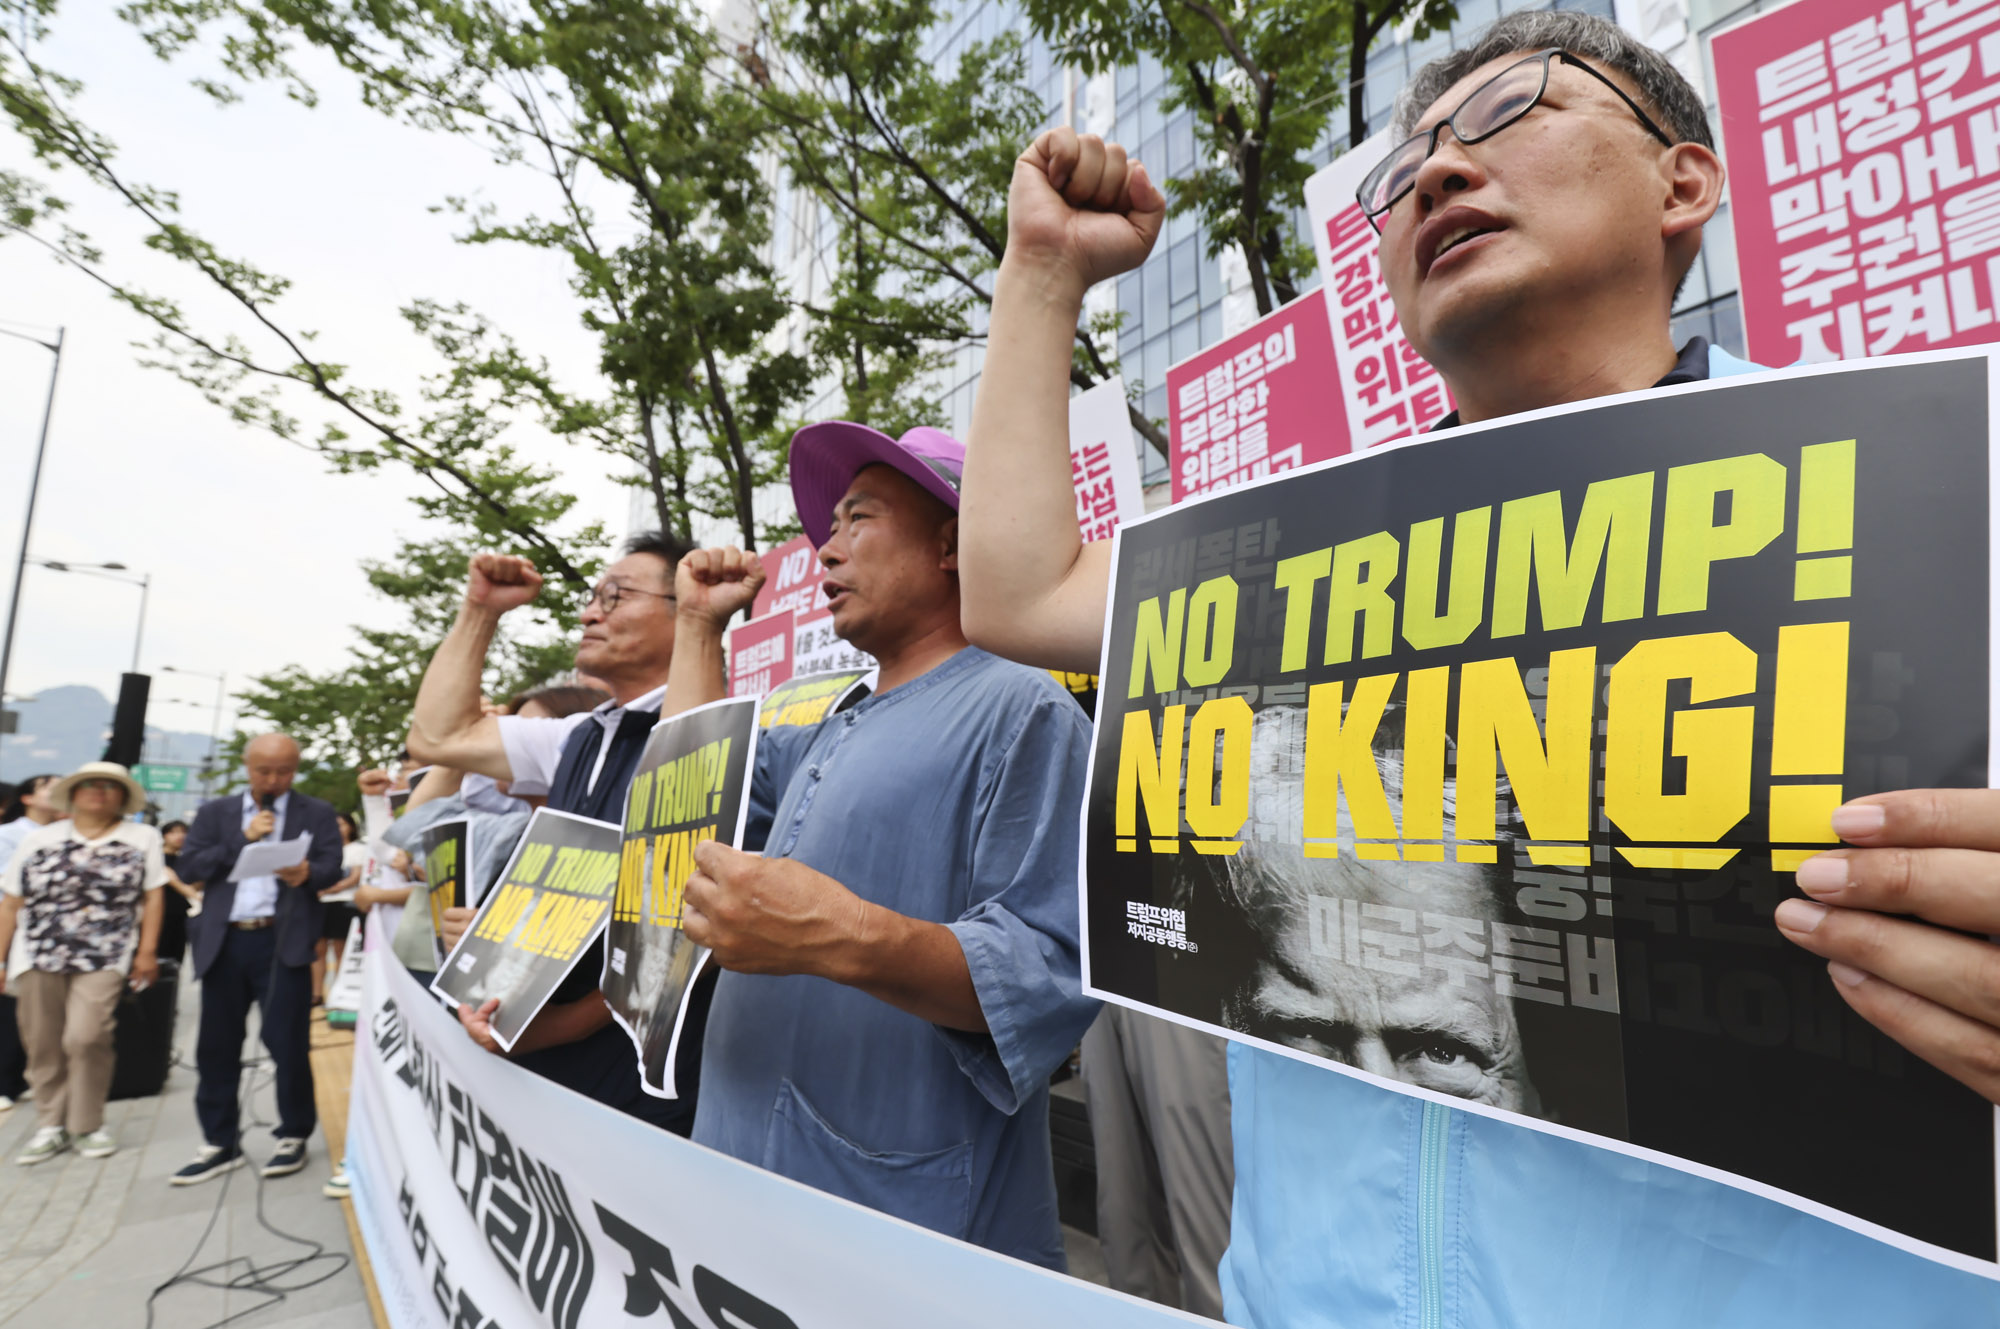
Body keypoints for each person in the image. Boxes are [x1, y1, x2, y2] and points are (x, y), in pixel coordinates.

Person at [957, 9, 2000, 1324]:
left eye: (1517, 115)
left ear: (1686, 182)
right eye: (1406, 169)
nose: (1440, 170)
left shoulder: (1941, 506)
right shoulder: (1283, 571)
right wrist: (1042, 274)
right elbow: (1015, 588)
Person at [657, 422, 1099, 1268]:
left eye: (858, 518)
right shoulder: (828, 723)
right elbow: (686, 785)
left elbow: (1050, 973)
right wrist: (696, 628)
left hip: (894, 1223)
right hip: (744, 1181)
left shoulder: (1021, 706)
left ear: (949, 544)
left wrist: (838, 934)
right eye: (828, 530)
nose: (826, 551)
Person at [413, 534, 700, 1135]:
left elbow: (684, 938)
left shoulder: (716, 734)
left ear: (689, 606)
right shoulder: (578, 737)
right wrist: (481, 610)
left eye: (616, 597)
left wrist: (567, 1024)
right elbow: (437, 739)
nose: (589, 612)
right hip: (534, 1061)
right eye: (593, 596)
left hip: (639, 1095)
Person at [171, 734, 343, 1184]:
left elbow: (331, 867)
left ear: (296, 768)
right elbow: (189, 868)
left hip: (281, 939)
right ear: (248, 767)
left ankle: (293, 1133)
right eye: (264, 770)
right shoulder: (215, 814)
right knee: (216, 1045)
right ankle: (218, 1141)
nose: (274, 780)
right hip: (226, 940)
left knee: (287, 1042)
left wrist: (307, 872)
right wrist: (240, 842)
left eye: (284, 771)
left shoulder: (317, 813)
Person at [0, 763, 163, 1163]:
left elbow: (153, 896)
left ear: (123, 797)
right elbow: (11, 902)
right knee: (42, 1040)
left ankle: (88, 1123)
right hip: (38, 951)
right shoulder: (39, 839)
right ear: (72, 795)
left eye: (110, 786)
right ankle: (50, 1124)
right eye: (90, 785)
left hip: (106, 952)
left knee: (87, 1036)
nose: (99, 792)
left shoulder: (141, 837)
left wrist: (147, 950)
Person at [0, 773, 59, 1112]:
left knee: (39, 1010)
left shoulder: (65, 834)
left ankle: (26, 1076)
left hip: (49, 937)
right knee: (10, 1008)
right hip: (13, 929)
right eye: (48, 788)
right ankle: (7, 1080)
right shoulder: (9, 835)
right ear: (27, 798)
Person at [314, 811, 364, 1003]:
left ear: (351, 826)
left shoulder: (357, 849)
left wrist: (328, 890)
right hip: (321, 905)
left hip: (344, 904)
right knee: (318, 950)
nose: (338, 829)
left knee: (340, 950)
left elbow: (354, 877)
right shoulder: (321, 850)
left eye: (342, 824)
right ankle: (317, 994)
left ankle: (339, 992)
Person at [156, 820, 198, 963]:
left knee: (175, 960)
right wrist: (198, 897)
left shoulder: (185, 860)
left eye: (183, 832)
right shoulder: (156, 858)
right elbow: (177, 883)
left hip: (179, 915)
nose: (179, 836)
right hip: (159, 914)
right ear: (164, 836)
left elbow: (194, 884)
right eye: (173, 832)